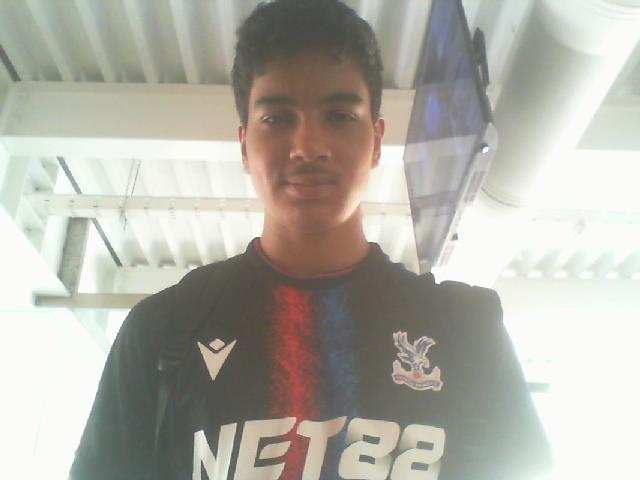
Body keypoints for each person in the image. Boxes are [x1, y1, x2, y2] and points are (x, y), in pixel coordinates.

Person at [70, 0, 552, 479]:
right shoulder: (162, 333)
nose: (308, 147)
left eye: (340, 116)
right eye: (277, 118)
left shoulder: (468, 331)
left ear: (376, 141)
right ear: (244, 145)